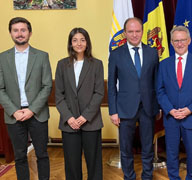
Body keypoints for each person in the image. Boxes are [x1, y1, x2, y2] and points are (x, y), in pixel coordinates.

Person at [0, 17, 52, 180]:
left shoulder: (42, 56)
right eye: (16, 30)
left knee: (42, 154)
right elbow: (0, 88)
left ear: (30, 32)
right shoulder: (2, 58)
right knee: (20, 156)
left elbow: (47, 86)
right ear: (10, 33)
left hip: (37, 113)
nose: (20, 33)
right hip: (13, 115)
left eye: (23, 30)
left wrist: (31, 110)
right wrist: (14, 111)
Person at [108, 17, 159, 180]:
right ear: (125, 33)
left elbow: (157, 81)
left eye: (138, 31)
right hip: (124, 108)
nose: (134, 35)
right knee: (126, 148)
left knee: (147, 147)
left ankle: (147, 176)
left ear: (142, 32)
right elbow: (111, 85)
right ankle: (129, 176)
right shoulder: (116, 54)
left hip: (148, 107)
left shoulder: (152, 52)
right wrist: (113, 111)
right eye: (130, 31)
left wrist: (158, 106)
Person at [156, 26, 192, 180]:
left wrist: (189, 109)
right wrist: (170, 110)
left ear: (189, 41)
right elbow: (160, 91)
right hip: (171, 117)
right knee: (171, 154)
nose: (179, 44)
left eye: (182, 40)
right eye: (176, 41)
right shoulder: (164, 64)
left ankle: (191, 178)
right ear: (172, 43)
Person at [55, 27, 104, 180]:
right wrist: (69, 117)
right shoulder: (62, 64)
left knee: (94, 162)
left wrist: (85, 116)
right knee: (72, 163)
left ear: (87, 43)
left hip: (91, 122)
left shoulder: (97, 64)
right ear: (70, 43)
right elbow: (59, 95)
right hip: (69, 123)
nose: (79, 43)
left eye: (82, 40)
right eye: (75, 40)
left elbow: (99, 93)